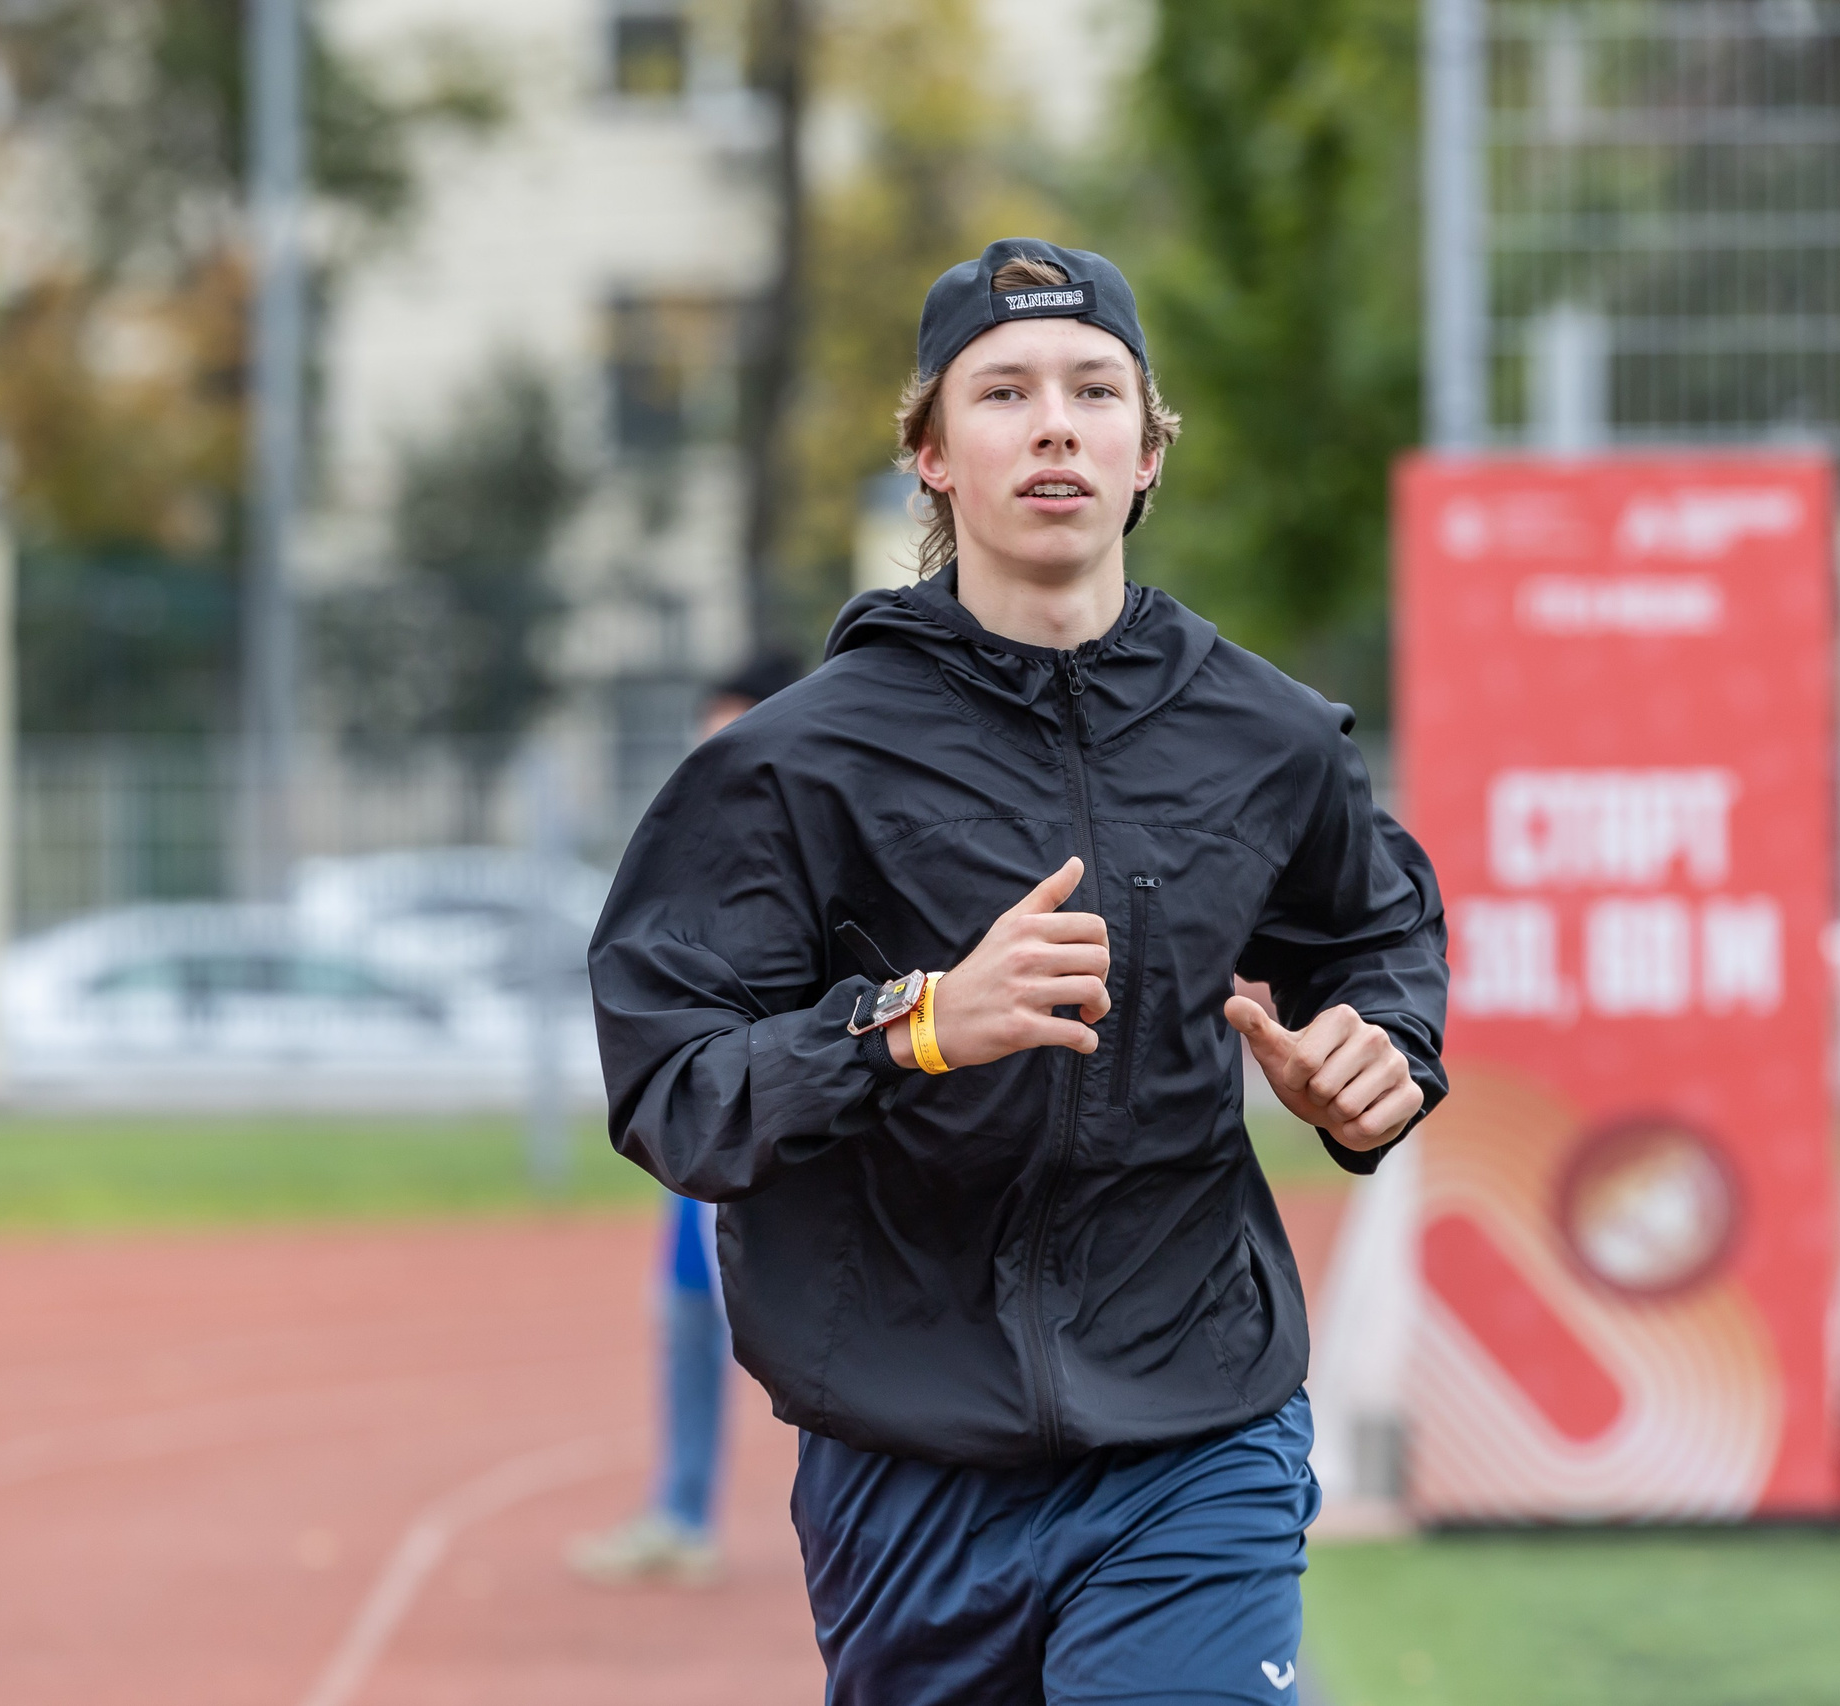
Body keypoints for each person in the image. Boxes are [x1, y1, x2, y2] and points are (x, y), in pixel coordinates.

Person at [590, 240, 1447, 1702]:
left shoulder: (1273, 737)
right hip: (905, 1461)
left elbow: (1370, 941)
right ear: (932, 454)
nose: (1056, 421)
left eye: (1095, 388)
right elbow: (673, 1086)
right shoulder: (792, 765)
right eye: (1004, 392)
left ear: (1145, 449)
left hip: (1198, 1423)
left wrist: (1372, 1058)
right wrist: (910, 1028)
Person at [568, 651, 803, 1589]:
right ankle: (682, 1508)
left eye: (728, 736)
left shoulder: (822, 839)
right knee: (686, 1306)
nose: (708, 759)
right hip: (719, 1109)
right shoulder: (699, 845)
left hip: (804, 1110)